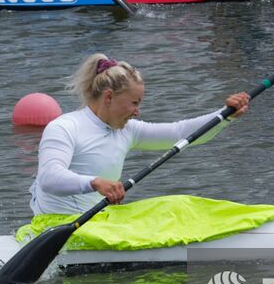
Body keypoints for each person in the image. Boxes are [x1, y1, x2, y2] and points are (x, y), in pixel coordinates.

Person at [29, 55, 251, 215]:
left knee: (176, 207)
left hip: (100, 220)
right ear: (108, 97)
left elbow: (179, 132)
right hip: (57, 225)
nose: (137, 111)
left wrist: (226, 115)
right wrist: (95, 183)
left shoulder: (127, 130)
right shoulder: (65, 127)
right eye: (134, 103)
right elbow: (49, 178)